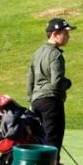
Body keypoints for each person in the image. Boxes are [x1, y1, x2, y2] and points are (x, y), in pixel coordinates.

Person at [27, 17, 73, 151]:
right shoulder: (55, 55)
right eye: (65, 33)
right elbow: (57, 83)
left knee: (39, 142)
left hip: (36, 101)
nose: (68, 37)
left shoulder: (37, 53)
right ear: (54, 34)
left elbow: (30, 78)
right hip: (51, 103)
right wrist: (68, 83)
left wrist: (31, 99)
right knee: (52, 146)